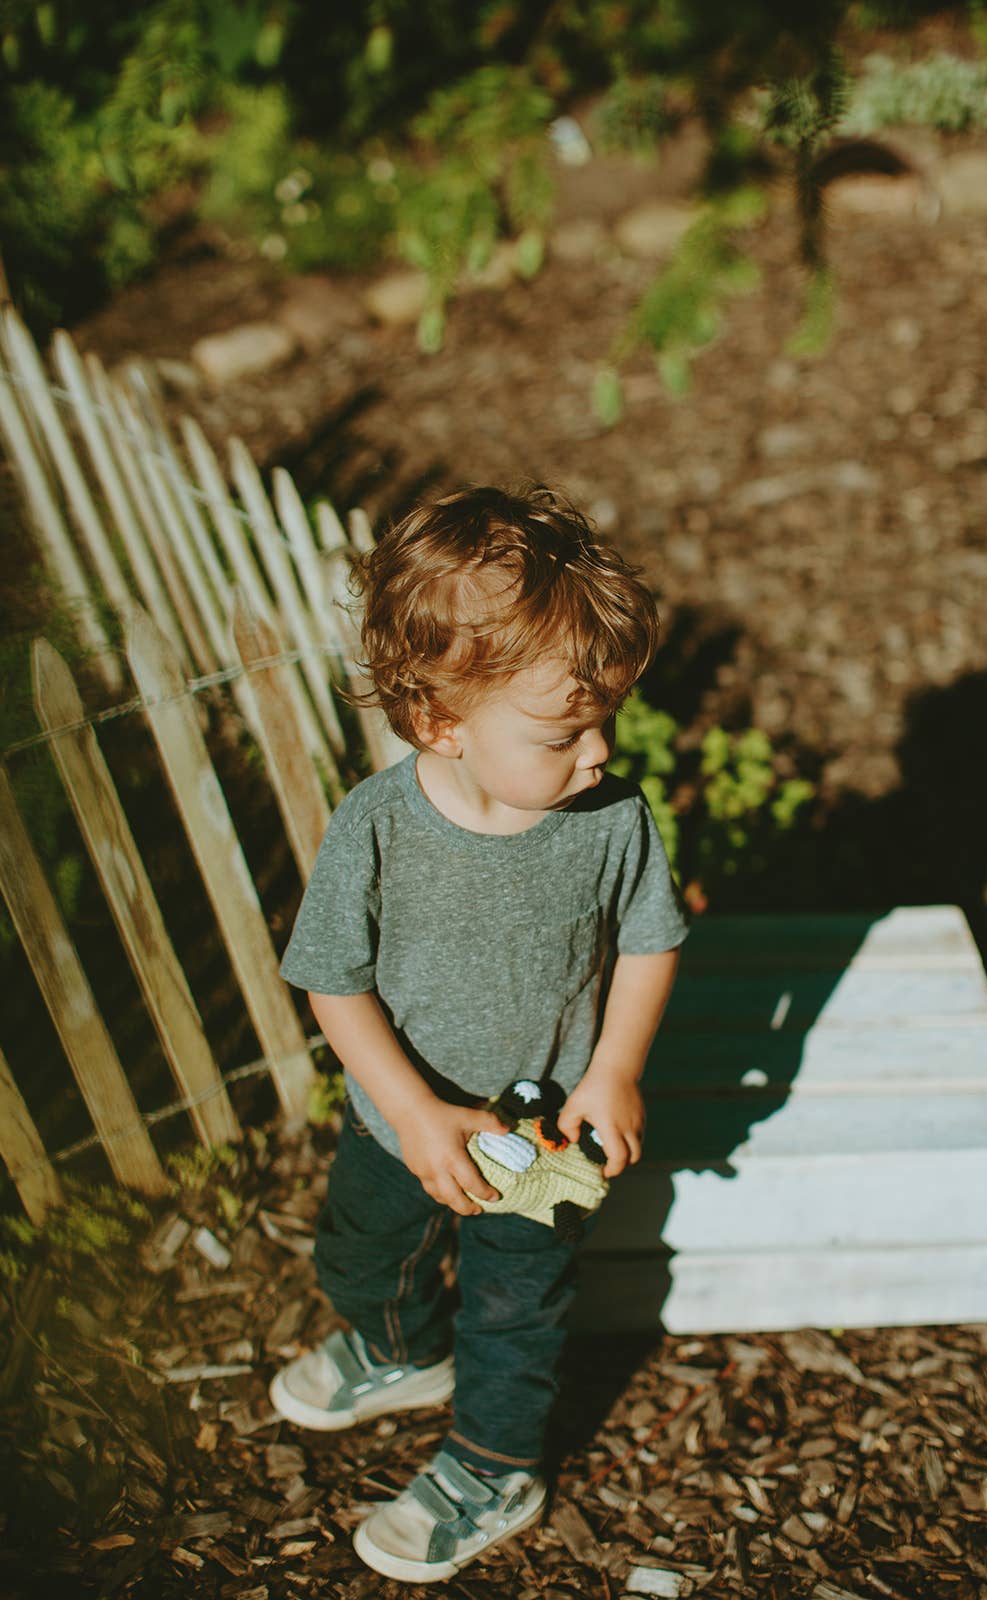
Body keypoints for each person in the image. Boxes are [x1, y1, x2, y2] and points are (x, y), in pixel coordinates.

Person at [272, 485, 687, 1583]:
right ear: (438, 723)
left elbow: (649, 945)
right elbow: (331, 982)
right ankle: (400, 1350)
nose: (597, 750)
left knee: (515, 1309)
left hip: (539, 1138)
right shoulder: (377, 828)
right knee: (359, 1260)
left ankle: (495, 1461)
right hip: (398, 1122)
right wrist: (411, 1112)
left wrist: (613, 1071)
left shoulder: (610, 821)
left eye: (606, 718)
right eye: (562, 731)